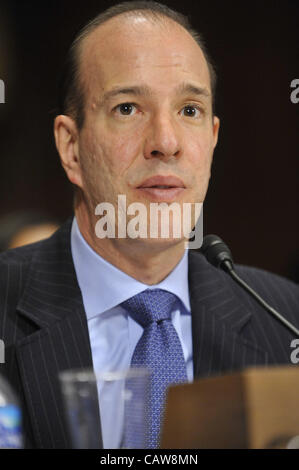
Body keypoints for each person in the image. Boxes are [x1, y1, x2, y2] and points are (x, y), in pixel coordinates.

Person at [0, 1, 298, 449]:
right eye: (127, 108)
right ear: (71, 148)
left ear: (212, 142)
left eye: (190, 110)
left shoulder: (286, 320)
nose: (165, 142)